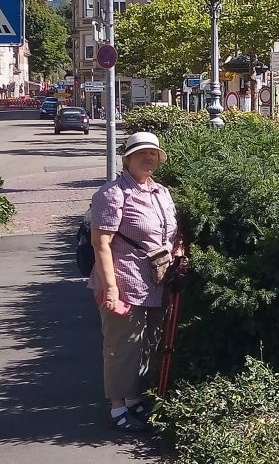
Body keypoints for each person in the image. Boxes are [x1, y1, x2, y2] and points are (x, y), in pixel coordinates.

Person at [88, 131, 182, 432]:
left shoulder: (161, 192)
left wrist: (178, 251)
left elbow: (171, 233)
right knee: (122, 347)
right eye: (141, 153)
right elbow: (101, 244)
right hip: (124, 282)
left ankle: (132, 398)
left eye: (153, 153)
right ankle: (117, 408)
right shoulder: (112, 194)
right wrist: (111, 290)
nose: (148, 158)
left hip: (156, 281)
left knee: (147, 343)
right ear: (127, 159)